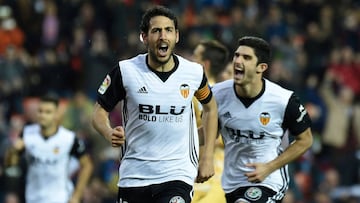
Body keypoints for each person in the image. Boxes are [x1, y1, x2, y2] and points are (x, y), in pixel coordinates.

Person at [91, 5, 218, 203]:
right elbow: (99, 112)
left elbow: (210, 108)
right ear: (144, 37)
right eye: (156, 31)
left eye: (168, 30)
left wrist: (207, 156)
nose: (162, 36)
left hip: (177, 174)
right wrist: (109, 133)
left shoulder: (193, 73)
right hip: (134, 176)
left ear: (176, 36)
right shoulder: (126, 71)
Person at [211, 36, 313, 203]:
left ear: (261, 67)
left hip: (268, 181)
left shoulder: (283, 100)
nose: (238, 61)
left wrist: (269, 167)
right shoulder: (217, 94)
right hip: (231, 182)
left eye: (246, 57)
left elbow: (306, 140)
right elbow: (209, 133)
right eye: (237, 55)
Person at [4, 94, 93, 203]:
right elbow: (11, 165)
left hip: (60, 198)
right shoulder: (27, 133)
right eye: (40, 111)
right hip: (33, 198)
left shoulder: (68, 138)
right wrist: (13, 151)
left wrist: (77, 195)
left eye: (48, 112)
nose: (42, 115)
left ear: (56, 115)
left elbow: (87, 165)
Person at [190, 39, 229, 203]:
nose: (191, 60)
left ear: (204, 64)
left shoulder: (194, 94)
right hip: (221, 177)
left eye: (195, 56)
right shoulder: (227, 96)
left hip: (200, 172)